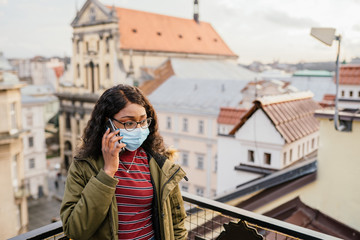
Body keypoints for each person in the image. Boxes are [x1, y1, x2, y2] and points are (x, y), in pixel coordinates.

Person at [60, 84, 188, 240]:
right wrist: (107, 173)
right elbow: (75, 229)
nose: (139, 128)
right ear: (108, 123)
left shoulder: (159, 163)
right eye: (129, 123)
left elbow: (177, 222)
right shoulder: (84, 166)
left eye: (143, 121)